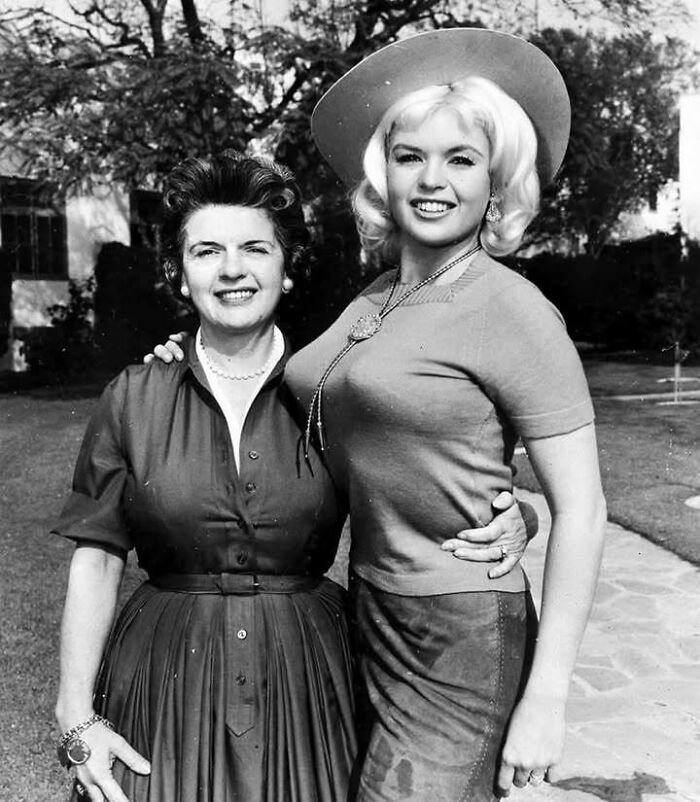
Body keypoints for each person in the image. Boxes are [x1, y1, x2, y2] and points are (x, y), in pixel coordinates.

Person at [54, 151, 533, 802]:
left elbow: (423, 491)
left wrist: (517, 517)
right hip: (163, 687)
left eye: (255, 249)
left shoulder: (337, 391)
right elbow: (97, 559)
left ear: (286, 268)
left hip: (308, 683)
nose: (231, 270)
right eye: (206, 251)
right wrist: (76, 714)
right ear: (179, 273)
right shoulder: (133, 397)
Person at [285, 28, 606, 802]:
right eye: (410, 157)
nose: (433, 180)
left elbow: (586, 509)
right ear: (382, 176)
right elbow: (311, 404)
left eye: (461, 159)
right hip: (369, 609)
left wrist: (547, 700)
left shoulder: (513, 310)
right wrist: (189, 355)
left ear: (496, 183)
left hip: (459, 631)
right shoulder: (375, 299)